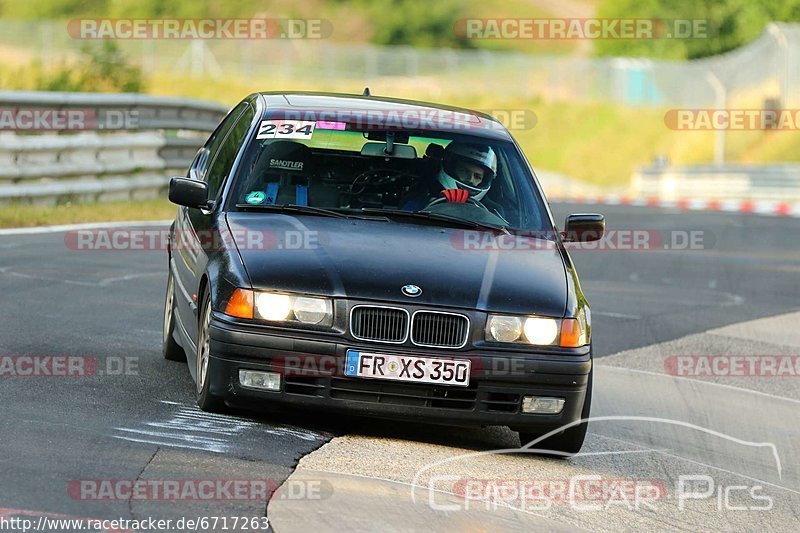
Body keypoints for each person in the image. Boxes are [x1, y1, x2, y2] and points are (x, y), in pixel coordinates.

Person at [400, 141, 497, 210]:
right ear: (449, 167)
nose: (470, 180)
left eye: (477, 177)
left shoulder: (492, 212)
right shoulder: (417, 203)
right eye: (464, 171)